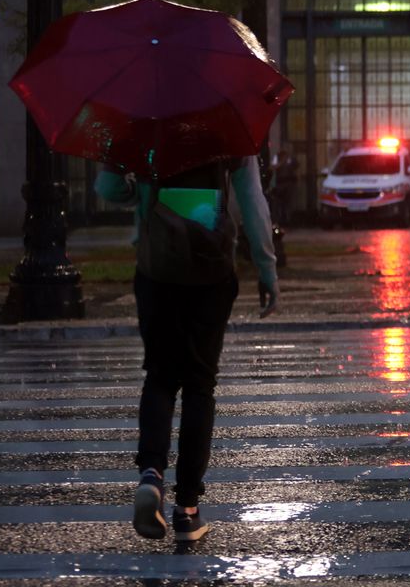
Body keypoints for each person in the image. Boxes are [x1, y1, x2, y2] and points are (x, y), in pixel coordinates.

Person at [96, 156, 280, 543]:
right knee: (199, 384)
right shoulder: (229, 133)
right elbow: (252, 203)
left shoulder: (145, 128)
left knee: (160, 376)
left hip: (157, 268)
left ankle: (151, 475)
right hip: (211, 271)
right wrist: (266, 268)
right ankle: (187, 509)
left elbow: (107, 187)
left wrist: (138, 191)